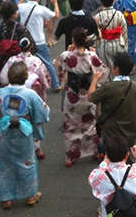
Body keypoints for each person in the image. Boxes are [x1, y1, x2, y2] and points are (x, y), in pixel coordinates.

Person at [0, 62, 49, 210]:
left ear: (9, 76)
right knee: (27, 163)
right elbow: (43, 112)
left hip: (5, 132)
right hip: (23, 133)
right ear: (25, 77)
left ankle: (6, 198)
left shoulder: (1, 93)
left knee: (5, 165)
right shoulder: (30, 94)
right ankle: (31, 195)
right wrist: (37, 128)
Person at [54, 28, 109, 167]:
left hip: (72, 95)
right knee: (90, 125)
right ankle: (94, 152)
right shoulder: (91, 56)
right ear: (85, 41)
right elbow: (103, 73)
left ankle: (70, 157)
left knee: (70, 127)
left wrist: (64, 78)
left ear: (73, 40)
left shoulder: (66, 56)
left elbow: (58, 67)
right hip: (88, 96)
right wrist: (96, 84)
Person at [88, 134, 136, 217]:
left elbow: (93, 179)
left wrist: (104, 163)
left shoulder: (99, 176)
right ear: (127, 155)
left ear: (106, 155)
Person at [92, 0, 128, 72]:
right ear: (113, 1)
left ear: (102, 2)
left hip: (104, 45)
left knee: (106, 70)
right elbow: (124, 32)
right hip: (118, 44)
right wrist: (126, 48)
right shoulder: (119, 14)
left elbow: (96, 35)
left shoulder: (98, 17)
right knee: (118, 69)